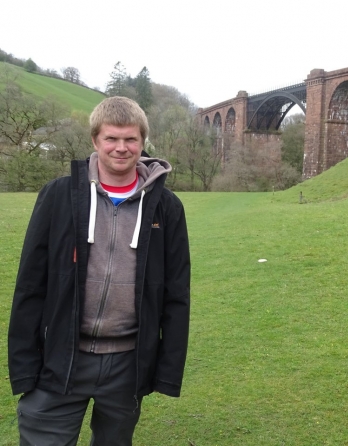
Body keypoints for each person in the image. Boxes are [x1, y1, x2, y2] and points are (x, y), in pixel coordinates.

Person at [8, 96, 191, 445]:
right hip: (60, 357)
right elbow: (30, 285)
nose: (121, 148)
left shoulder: (166, 208)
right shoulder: (59, 195)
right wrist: (24, 364)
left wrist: (166, 370)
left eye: (130, 139)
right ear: (95, 140)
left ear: (142, 141)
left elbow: (176, 293)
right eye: (111, 138)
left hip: (127, 363)